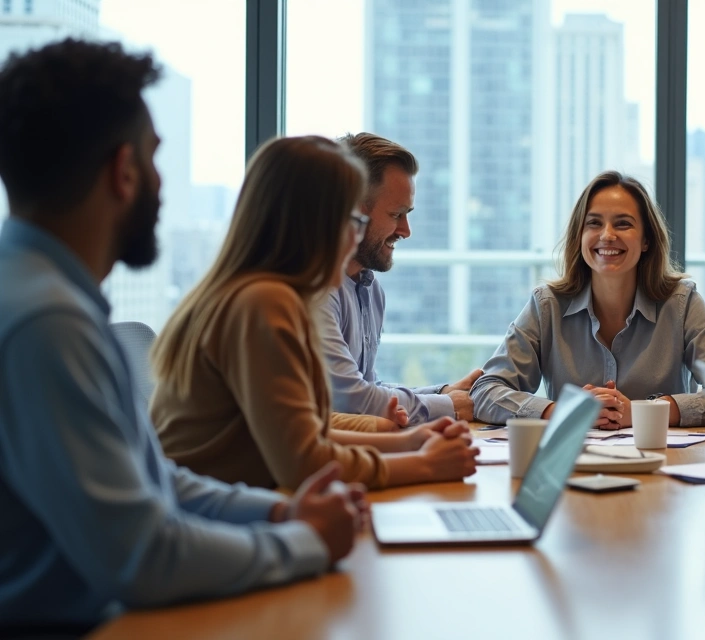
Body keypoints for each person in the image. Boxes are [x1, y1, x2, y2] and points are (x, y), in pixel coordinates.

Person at [0, 39, 363, 631]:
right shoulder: (47, 323)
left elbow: (154, 481)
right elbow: (144, 555)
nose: (162, 183)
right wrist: (307, 542)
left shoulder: (47, 297)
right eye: (154, 159)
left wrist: (281, 512)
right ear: (124, 171)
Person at [150, 135, 479, 491]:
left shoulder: (259, 293)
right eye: (352, 221)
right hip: (212, 519)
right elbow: (304, 461)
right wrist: (424, 465)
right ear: (314, 223)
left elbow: (307, 431)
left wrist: (410, 443)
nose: (355, 238)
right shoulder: (263, 303)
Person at [471, 170, 705, 428]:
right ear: (580, 236)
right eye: (594, 223)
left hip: (664, 465)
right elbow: (485, 391)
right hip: (572, 467)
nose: (607, 236)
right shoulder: (547, 305)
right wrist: (564, 412)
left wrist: (645, 411)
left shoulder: (682, 302)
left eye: (623, 224)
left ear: (646, 241)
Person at [319, 132, 481, 425]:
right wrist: (447, 405)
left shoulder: (369, 289)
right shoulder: (319, 290)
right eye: (397, 214)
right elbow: (350, 399)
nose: (406, 230)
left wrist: (444, 392)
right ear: (353, 211)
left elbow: (368, 387)